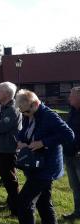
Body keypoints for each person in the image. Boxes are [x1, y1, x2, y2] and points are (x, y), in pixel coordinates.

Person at [15, 89, 74, 224]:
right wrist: (20, 141)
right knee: (43, 203)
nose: (24, 114)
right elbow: (23, 131)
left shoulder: (49, 116)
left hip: (46, 167)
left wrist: (43, 142)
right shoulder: (28, 113)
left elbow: (69, 135)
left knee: (24, 202)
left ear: (35, 104)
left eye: (26, 111)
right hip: (34, 165)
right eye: (22, 112)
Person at [0, 82, 22, 216]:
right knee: (7, 177)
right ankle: (12, 201)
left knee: (10, 178)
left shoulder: (13, 108)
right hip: (0, 147)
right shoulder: (0, 106)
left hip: (8, 148)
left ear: (7, 93)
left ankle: (16, 208)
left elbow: (1, 126)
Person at [63, 86, 80, 220]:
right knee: (75, 186)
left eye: (71, 95)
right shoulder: (73, 110)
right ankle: (78, 212)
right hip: (69, 154)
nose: (69, 97)